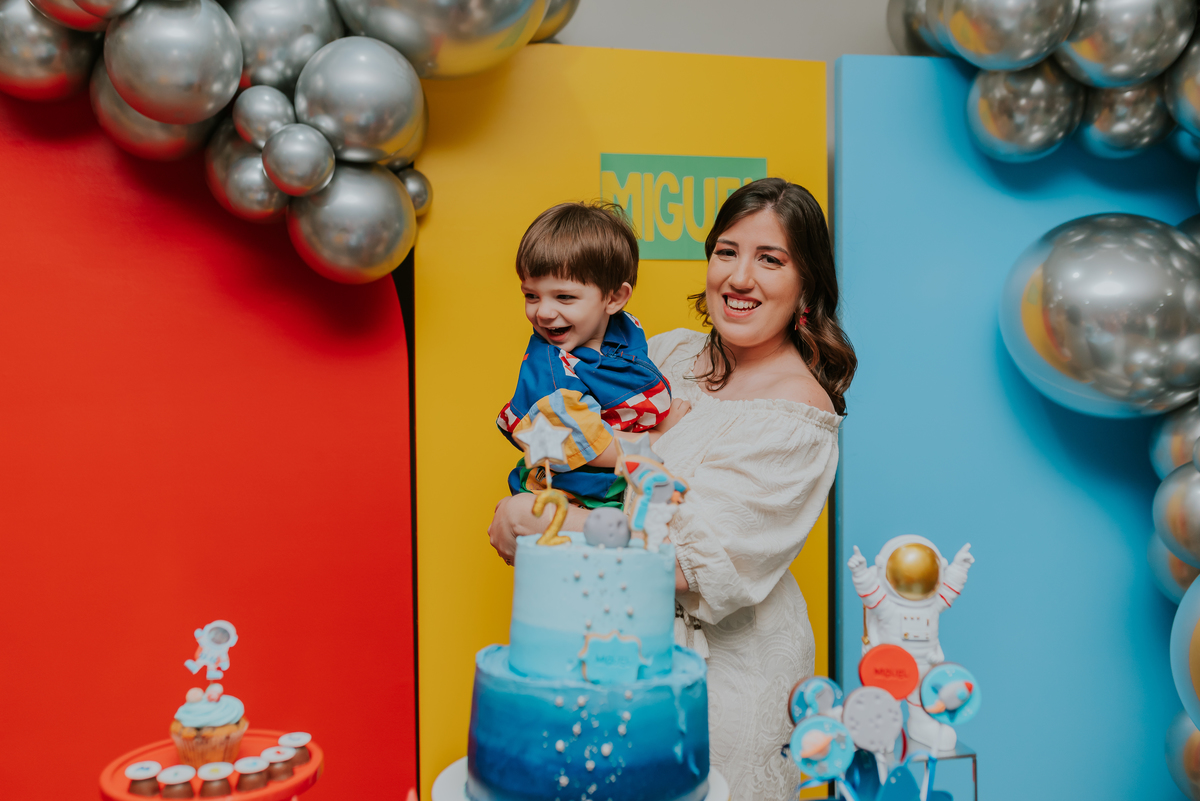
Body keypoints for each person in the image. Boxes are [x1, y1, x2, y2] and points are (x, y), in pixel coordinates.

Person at [489, 178, 856, 798]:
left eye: (770, 259)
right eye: (726, 252)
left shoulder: (796, 414)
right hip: (613, 652)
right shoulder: (670, 354)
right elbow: (580, 455)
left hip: (717, 683)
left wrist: (539, 519)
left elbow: (692, 562)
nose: (740, 278)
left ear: (807, 287)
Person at [497, 201, 682, 511]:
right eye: (531, 295)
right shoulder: (550, 374)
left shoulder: (624, 329)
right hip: (568, 501)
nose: (542, 312)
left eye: (564, 297)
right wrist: (662, 435)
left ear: (614, 299)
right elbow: (594, 447)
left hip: (615, 487)